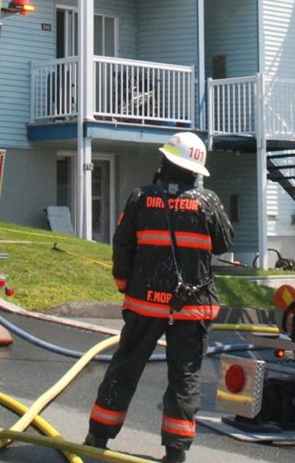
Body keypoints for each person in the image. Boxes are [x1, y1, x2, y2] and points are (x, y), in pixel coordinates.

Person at [84, 132, 233, 463]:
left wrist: (125, 284)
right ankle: (175, 452)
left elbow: (122, 245)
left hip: (143, 304)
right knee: (185, 377)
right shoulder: (208, 201)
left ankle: (96, 438)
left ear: (164, 162)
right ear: (195, 170)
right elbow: (224, 243)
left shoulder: (140, 198)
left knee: (124, 370)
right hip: (192, 310)